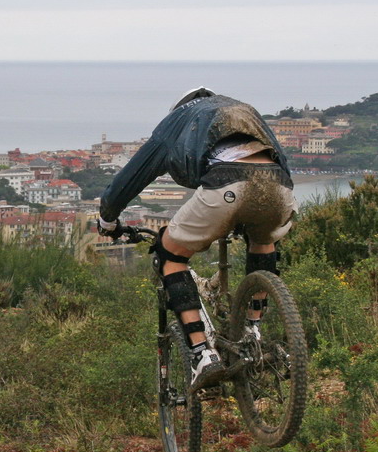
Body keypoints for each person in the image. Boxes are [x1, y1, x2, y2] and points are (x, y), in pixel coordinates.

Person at [97, 88, 297, 392]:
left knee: (170, 255)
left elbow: (130, 178)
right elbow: (279, 159)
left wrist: (107, 219)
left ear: (182, 107)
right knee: (263, 240)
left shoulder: (177, 121)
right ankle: (254, 331)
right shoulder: (245, 111)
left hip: (226, 184)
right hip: (279, 186)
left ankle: (202, 354)